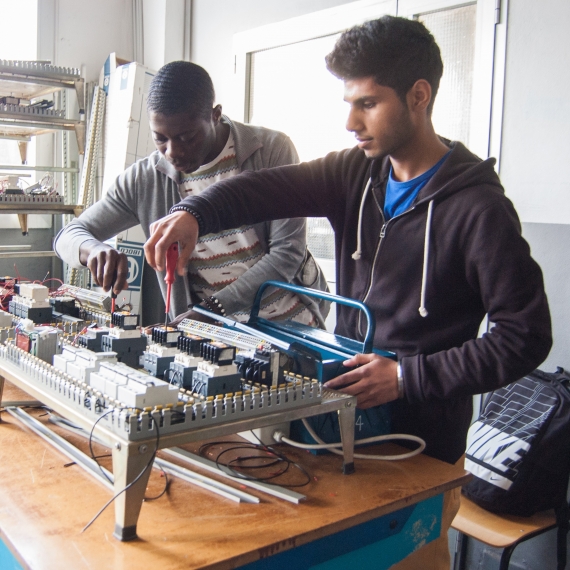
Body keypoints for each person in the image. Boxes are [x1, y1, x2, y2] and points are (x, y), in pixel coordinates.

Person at [143, 17, 552, 569]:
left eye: (367, 103)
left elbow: (525, 336)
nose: (350, 122)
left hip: (422, 447)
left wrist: (408, 376)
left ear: (418, 96)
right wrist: (194, 211)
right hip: (344, 425)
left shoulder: (478, 210)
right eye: (347, 102)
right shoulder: (357, 175)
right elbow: (268, 187)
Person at [54, 61, 328, 327]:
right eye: (160, 138)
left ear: (215, 114)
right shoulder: (144, 179)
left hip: (291, 325)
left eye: (187, 137)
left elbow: (287, 254)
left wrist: (213, 310)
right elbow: (67, 236)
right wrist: (94, 250)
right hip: (214, 333)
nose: (173, 151)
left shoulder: (271, 151)